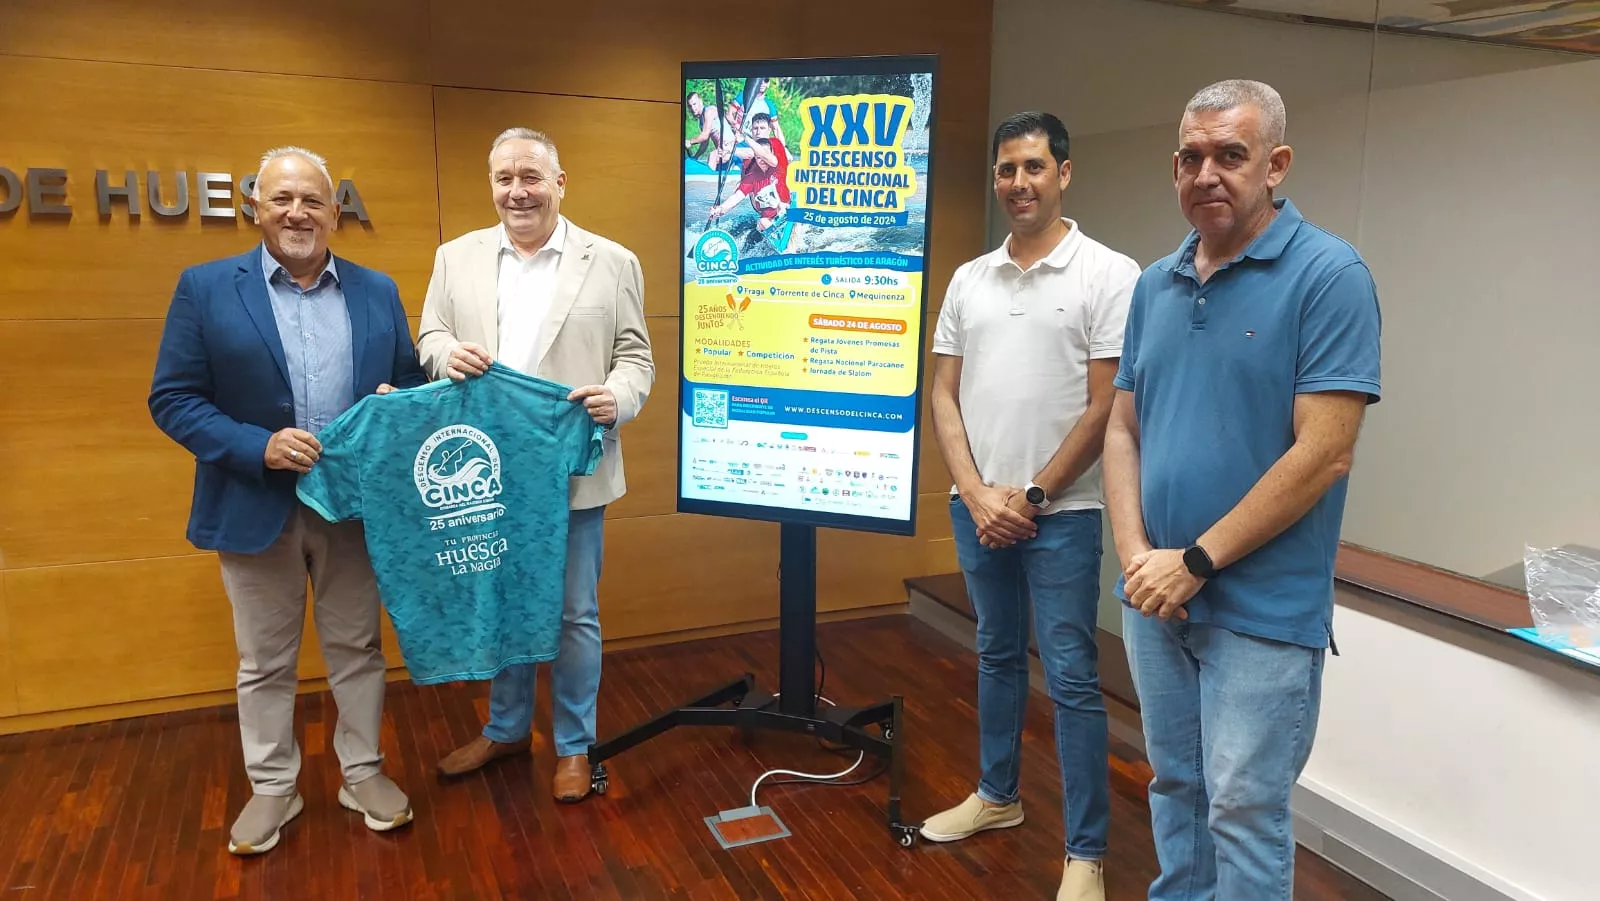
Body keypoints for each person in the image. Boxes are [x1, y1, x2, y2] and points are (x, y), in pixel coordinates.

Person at [1104, 79, 1382, 900]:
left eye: (1232, 155)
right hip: (1156, 599)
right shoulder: (1155, 284)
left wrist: (1193, 559)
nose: (1207, 174)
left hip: (1260, 611)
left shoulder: (1329, 275)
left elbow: (1325, 453)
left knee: (1244, 809)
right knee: (1175, 787)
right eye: (1190, 158)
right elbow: (1123, 428)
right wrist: (1135, 559)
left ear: (1276, 164)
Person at [148, 146, 427, 855]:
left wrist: (398, 404)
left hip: (353, 507)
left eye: (311, 200)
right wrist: (257, 445)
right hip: (252, 503)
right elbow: (173, 399)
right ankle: (274, 785)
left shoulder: (377, 289)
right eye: (282, 199)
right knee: (264, 660)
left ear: (335, 211)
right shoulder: (206, 287)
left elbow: (402, 383)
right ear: (256, 207)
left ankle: (360, 771)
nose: (297, 212)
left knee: (358, 649)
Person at [923, 111, 1139, 901]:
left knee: (1075, 677)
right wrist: (979, 493)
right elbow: (942, 393)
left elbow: (1107, 401)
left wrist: (1034, 494)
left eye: (1035, 167)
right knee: (996, 656)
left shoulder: (1110, 274)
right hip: (976, 508)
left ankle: (1085, 853)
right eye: (1007, 169)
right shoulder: (969, 279)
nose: (1020, 182)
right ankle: (997, 796)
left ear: (1065, 174)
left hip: (1067, 514)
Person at [424, 127, 653, 802]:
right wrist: (443, 355)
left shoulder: (612, 261)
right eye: (504, 178)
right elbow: (429, 333)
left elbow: (636, 358)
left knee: (572, 614)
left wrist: (619, 396)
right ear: (491, 185)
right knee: (501, 604)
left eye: (531, 176)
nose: (517, 191)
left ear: (560, 182)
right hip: (489, 471)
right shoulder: (454, 258)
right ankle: (506, 728)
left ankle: (574, 745)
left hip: (572, 470)